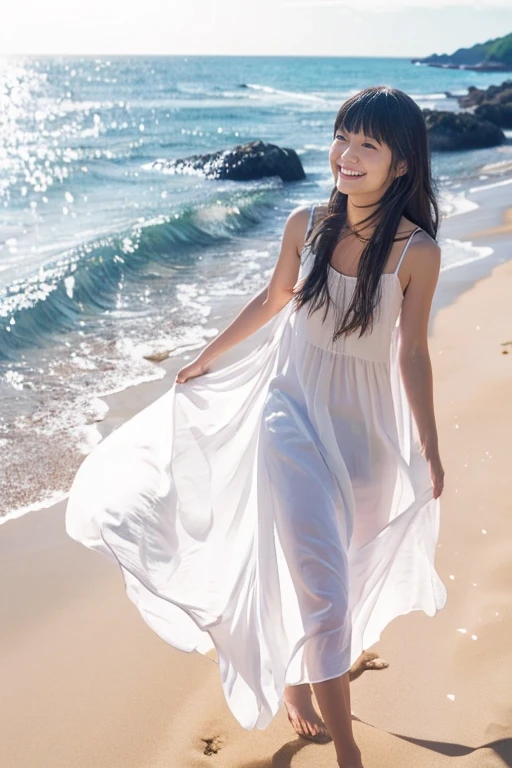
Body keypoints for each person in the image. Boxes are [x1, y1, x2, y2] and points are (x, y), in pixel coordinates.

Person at [66, 85, 447, 768]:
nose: (346, 155)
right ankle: (349, 751)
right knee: (324, 588)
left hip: (366, 436)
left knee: (340, 578)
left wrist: (431, 447)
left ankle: (299, 674)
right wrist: (206, 359)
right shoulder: (306, 221)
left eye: (367, 145)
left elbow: (413, 353)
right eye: (342, 137)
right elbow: (275, 299)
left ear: (402, 164)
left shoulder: (418, 252)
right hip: (290, 410)